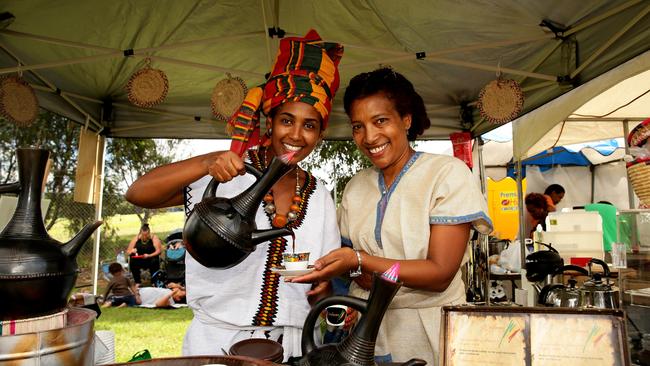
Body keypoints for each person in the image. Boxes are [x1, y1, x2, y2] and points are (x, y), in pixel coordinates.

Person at [125, 29, 343, 360]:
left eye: (310, 125)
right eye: (287, 120)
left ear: (321, 133)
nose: (296, 135)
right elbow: (138, 193)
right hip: (217, 343)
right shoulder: (228, 173)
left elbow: (324, 277)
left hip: (295, 347)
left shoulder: (320, 196)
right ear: (269, 122)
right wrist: (206, 162)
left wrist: (323, 290)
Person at [289, 67, 492, 365]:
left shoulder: (446, 175)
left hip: (431, 329)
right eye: (358, 126)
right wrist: (352, 270)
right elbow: (349, 267)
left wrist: (362, 261)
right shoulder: (357, 187)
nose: (369, 137)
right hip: (366, 331)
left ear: (406, 120)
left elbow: (438, 274)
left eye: (380, 121)